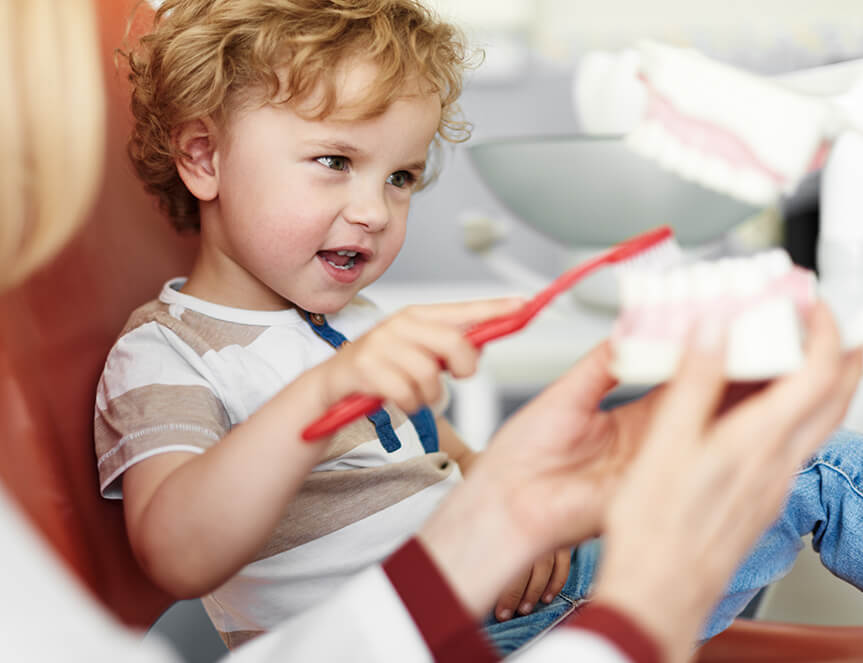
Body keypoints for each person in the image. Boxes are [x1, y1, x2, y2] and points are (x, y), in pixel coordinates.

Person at [3, 1, 861, 662]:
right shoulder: (166, 350)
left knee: (736, 425)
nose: (374, 210)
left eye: (403, 175)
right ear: (204, 159)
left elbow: (454, 461)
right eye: (335, 161)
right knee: (803, 456)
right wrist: (331, 391)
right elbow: (178, 550)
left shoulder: (351, 326)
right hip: (451, 634)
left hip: (512, 601)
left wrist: (533, 523)